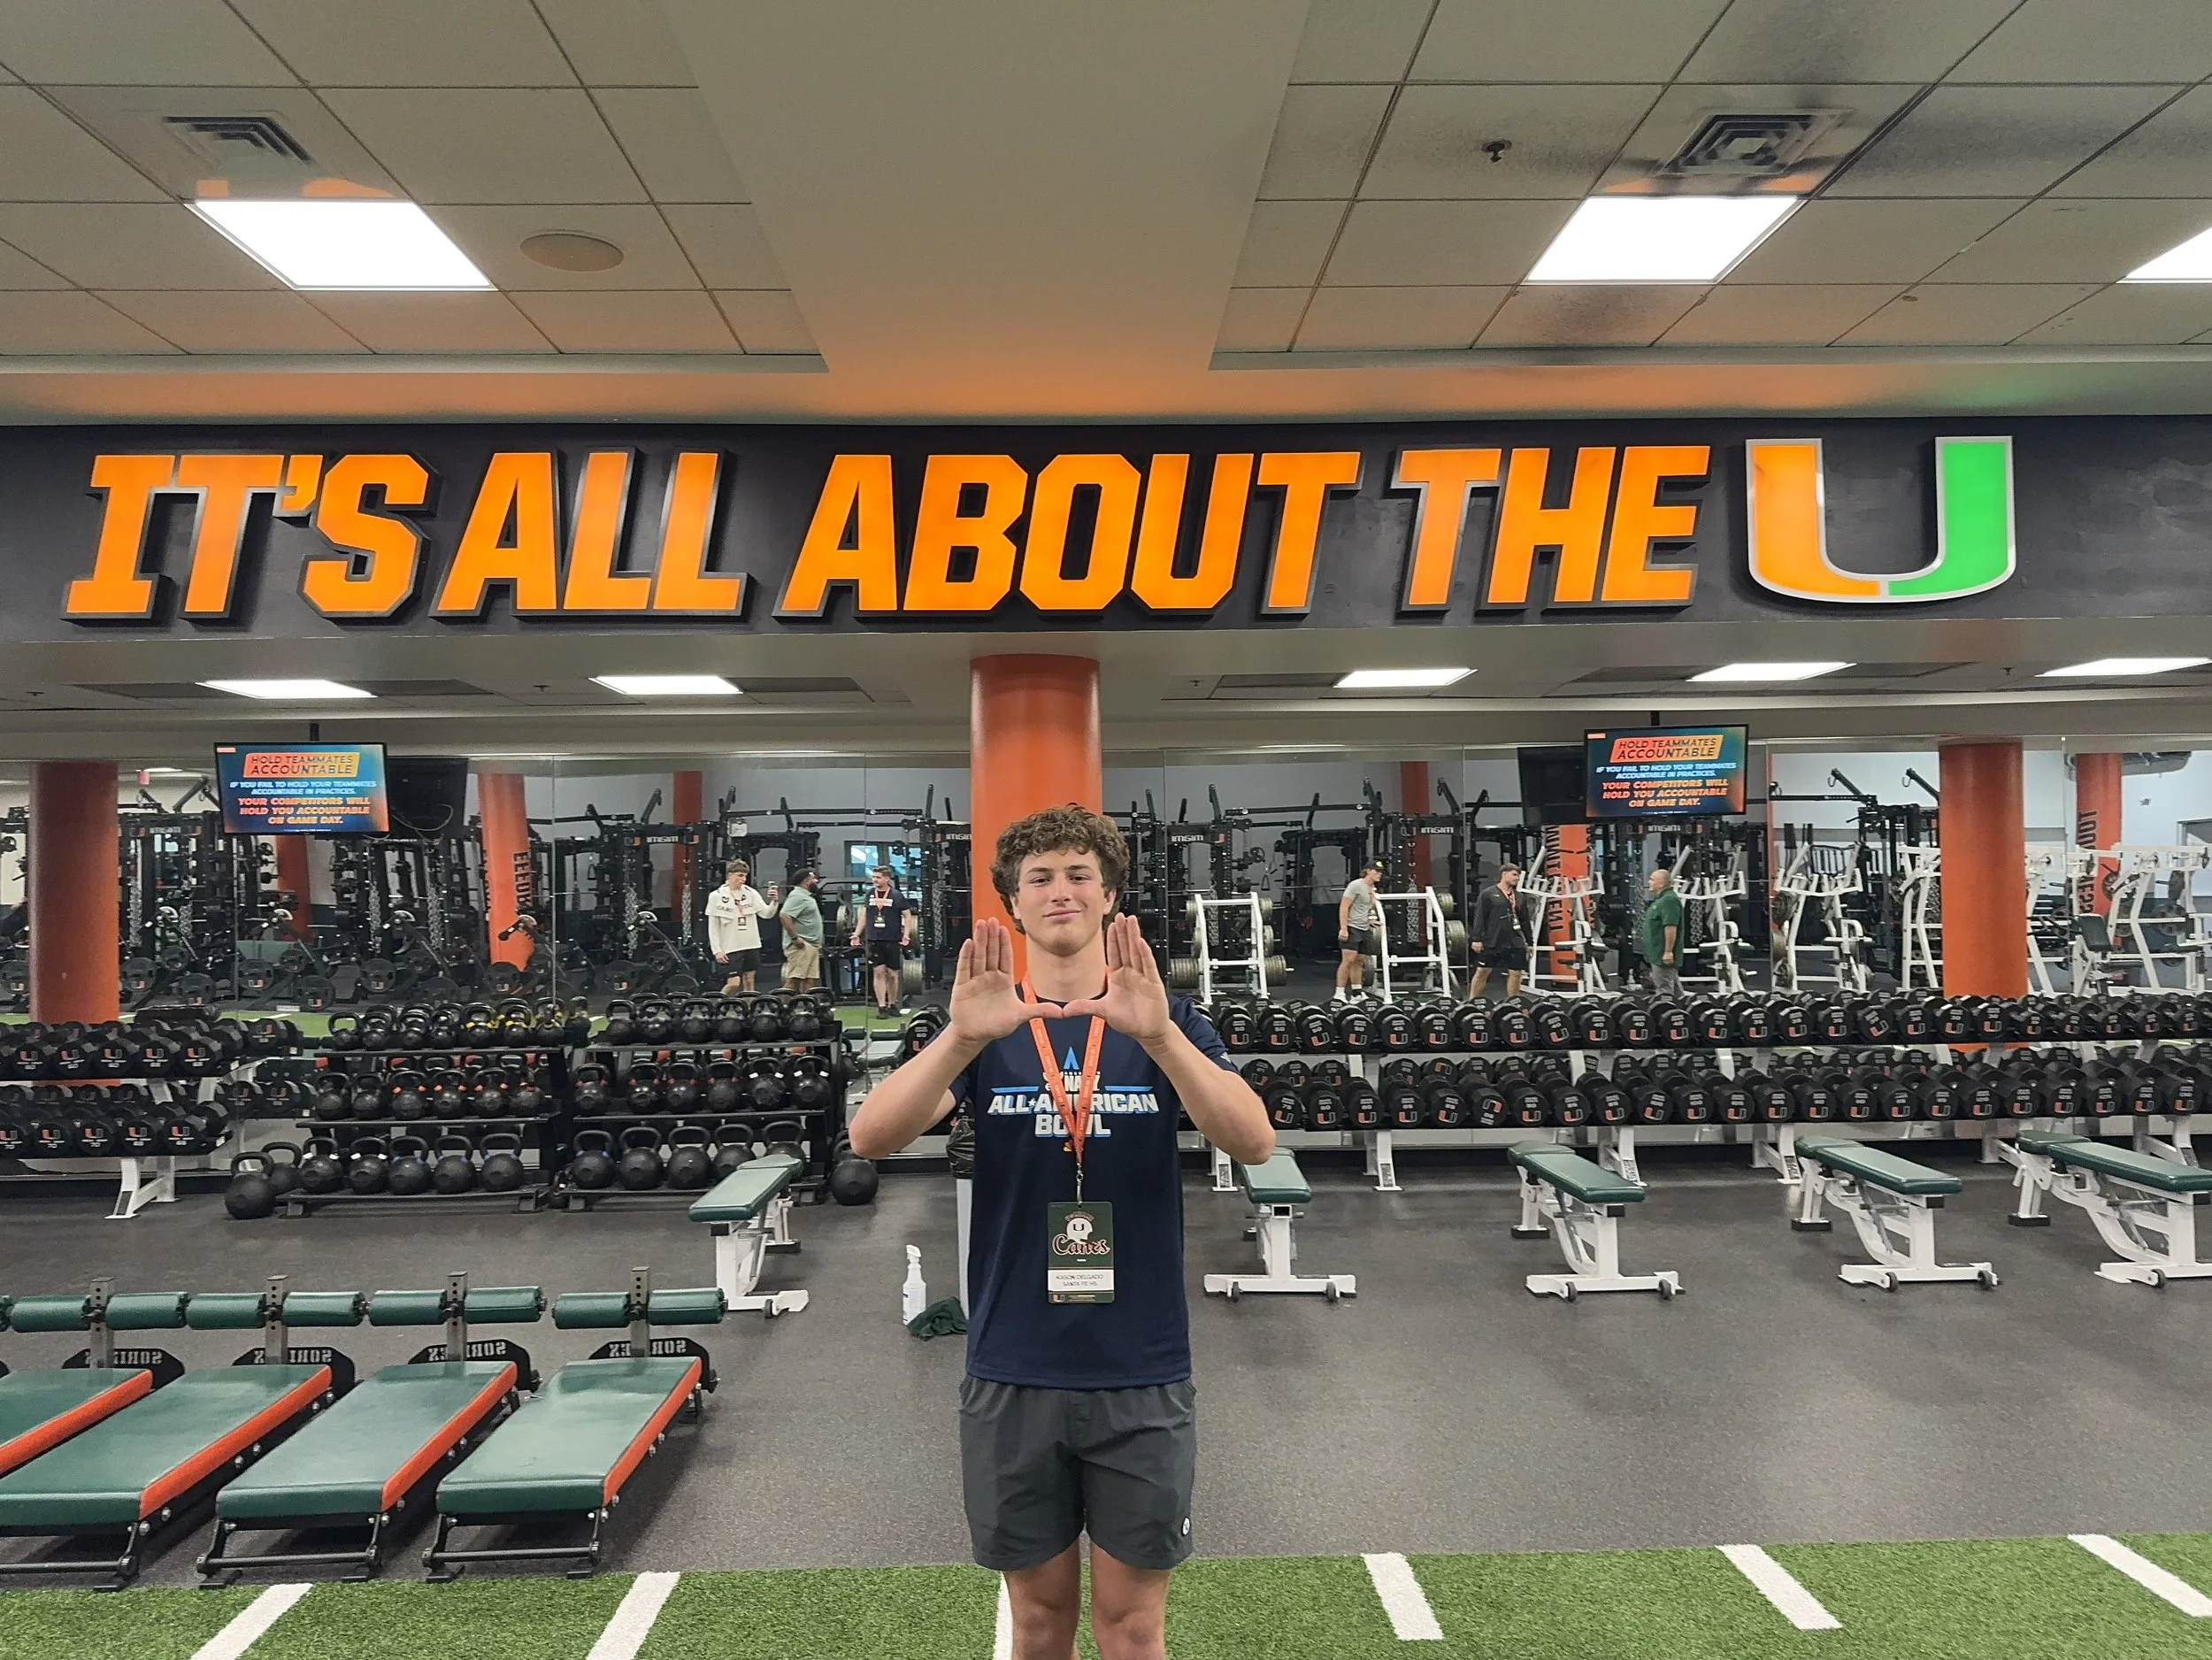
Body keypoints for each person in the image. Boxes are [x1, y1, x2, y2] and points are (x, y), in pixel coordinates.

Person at [849, 803, 1271, 1660]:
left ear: (1110, 893)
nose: (1060, 890)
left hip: (1139, 1367)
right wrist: (964, 1038)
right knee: (1037, 1624)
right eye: (1039, 876)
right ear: (1013, 898)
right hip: (1013, 1363)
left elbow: (1252, 1139)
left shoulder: (1170, 1020)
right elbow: (872, 1137)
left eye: (1079, 873)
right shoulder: (979, 1024)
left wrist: (1156, 1037)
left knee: (1132, 1626)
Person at [851, 865, 914, 1018]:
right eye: (874, 877)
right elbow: (865, 915)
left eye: (878, 877)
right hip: (874, 939)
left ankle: (892, 1004)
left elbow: (907, 915)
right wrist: (857, 934)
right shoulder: (870, 894)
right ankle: (882, 1007)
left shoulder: (897, 896)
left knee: (892, 974)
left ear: (887, 879)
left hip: (892, 939)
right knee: (878, 972)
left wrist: (906, 935)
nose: (875, 880)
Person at [705, 859, 773, 994]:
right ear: (730, 875)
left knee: (749, 979)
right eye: (740, 875)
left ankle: (749, 1008)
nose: (743, 879)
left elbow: (767, 914)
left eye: (745, 876)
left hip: (751, 944)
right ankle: (719, 1005)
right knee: (734, 983)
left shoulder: (750, 893)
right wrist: (717, 950)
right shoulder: (716, 896)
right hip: (731, 946)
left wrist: (774, 901)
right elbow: (713, 926)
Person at [1468, 861, 1532, 999]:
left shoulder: (1520, 897)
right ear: (1504, 875)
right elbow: (1480, 917)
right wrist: (1477, 939)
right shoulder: (1488, 894)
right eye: (1514, 875)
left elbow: (1525, 921)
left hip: (1514, 941)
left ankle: (1514, 1003)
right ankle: (1472, 1002)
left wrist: (1530, 942)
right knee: (1482, 972)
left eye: (1519, 875)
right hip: (1493, 940)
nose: (1517, 878)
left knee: (1516, 973)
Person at [1335, 860, 1383, 1002]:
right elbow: (1344, 907)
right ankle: (1339, 993)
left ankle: (1356, 993)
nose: (1379, 874)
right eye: (1376, 871)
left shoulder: (1372, 889)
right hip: (1351, 927)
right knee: (1348, 960)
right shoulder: (1356, 885)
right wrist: (1344, 928)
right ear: (1368, 871)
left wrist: (1369, 921)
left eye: (1380, 872)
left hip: (1364, 928)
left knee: (1359, 961)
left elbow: (1362, 908)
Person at [779, 867, 825, 994]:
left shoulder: (807, 896)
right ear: (806, 881)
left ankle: (808, 1010)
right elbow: (784, 916)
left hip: (811, 945)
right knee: (794, 980)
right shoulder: (797, 895)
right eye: (814, 879)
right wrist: (795, 938)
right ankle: (783, 1009)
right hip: (801, 946)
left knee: (810, 980)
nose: (816, 881)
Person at [1642, 865, 1685, 995]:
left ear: (1661, 883)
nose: (1649, 882)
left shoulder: (1669, 900)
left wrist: (1668, 952)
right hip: (1657, 953)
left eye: (1652, 879)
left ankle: (1667, 1014)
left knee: (1664, 990)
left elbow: (1671, 927)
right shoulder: (1660, 900)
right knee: (1676, 991)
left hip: (1662, 954)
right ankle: (1687, 1012)